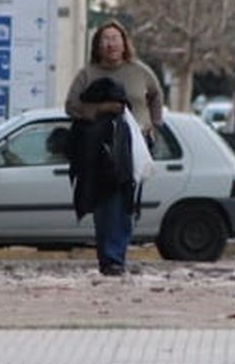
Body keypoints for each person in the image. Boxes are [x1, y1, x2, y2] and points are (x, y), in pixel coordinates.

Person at [64, 20, 164, 276]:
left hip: (135, 145)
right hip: (100, 146)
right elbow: (72, 106)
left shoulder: (140, 71)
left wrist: (153, 123)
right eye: (105, 39)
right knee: (104, 199)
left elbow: (155, 95)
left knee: (125, 200)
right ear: (97, 44)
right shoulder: (88, 74)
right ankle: (110, 258)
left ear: (124, 42)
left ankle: (115, 256)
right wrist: (101, 109)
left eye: (115, 38)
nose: (111, 43)